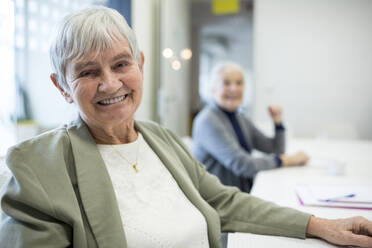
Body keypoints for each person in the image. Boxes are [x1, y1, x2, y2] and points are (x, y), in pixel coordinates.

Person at [0, 6, 371, 248]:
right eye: (87, 72)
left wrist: (320, 225)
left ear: (140, 64)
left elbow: (223, 201)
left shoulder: (161, 139)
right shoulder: (35, 168)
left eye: (121, 64)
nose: (110, 84)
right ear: (61, 86)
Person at [192, 62, 309, 192]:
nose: (234, 88)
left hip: (241, 193)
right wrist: (286, 160)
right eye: (226, 83)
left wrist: (278, 123)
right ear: (213, 89)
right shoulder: (208, 121)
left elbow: (276, 149)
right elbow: (243, 165)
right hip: (218, 201)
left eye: (239, 83)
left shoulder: (240, 117)